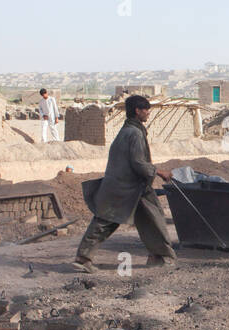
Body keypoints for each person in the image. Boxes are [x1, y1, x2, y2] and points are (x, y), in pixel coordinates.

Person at [74, 95, 175, 272]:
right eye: (146, 109)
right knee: (105, 222)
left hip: (136, 187)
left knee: (153, 218)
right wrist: (160, 172)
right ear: (137, 111)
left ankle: (158, 256)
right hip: (123, 187)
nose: (148, 113)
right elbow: (138, 163)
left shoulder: (128, 130)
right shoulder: (134, 133)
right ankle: (82, 260)